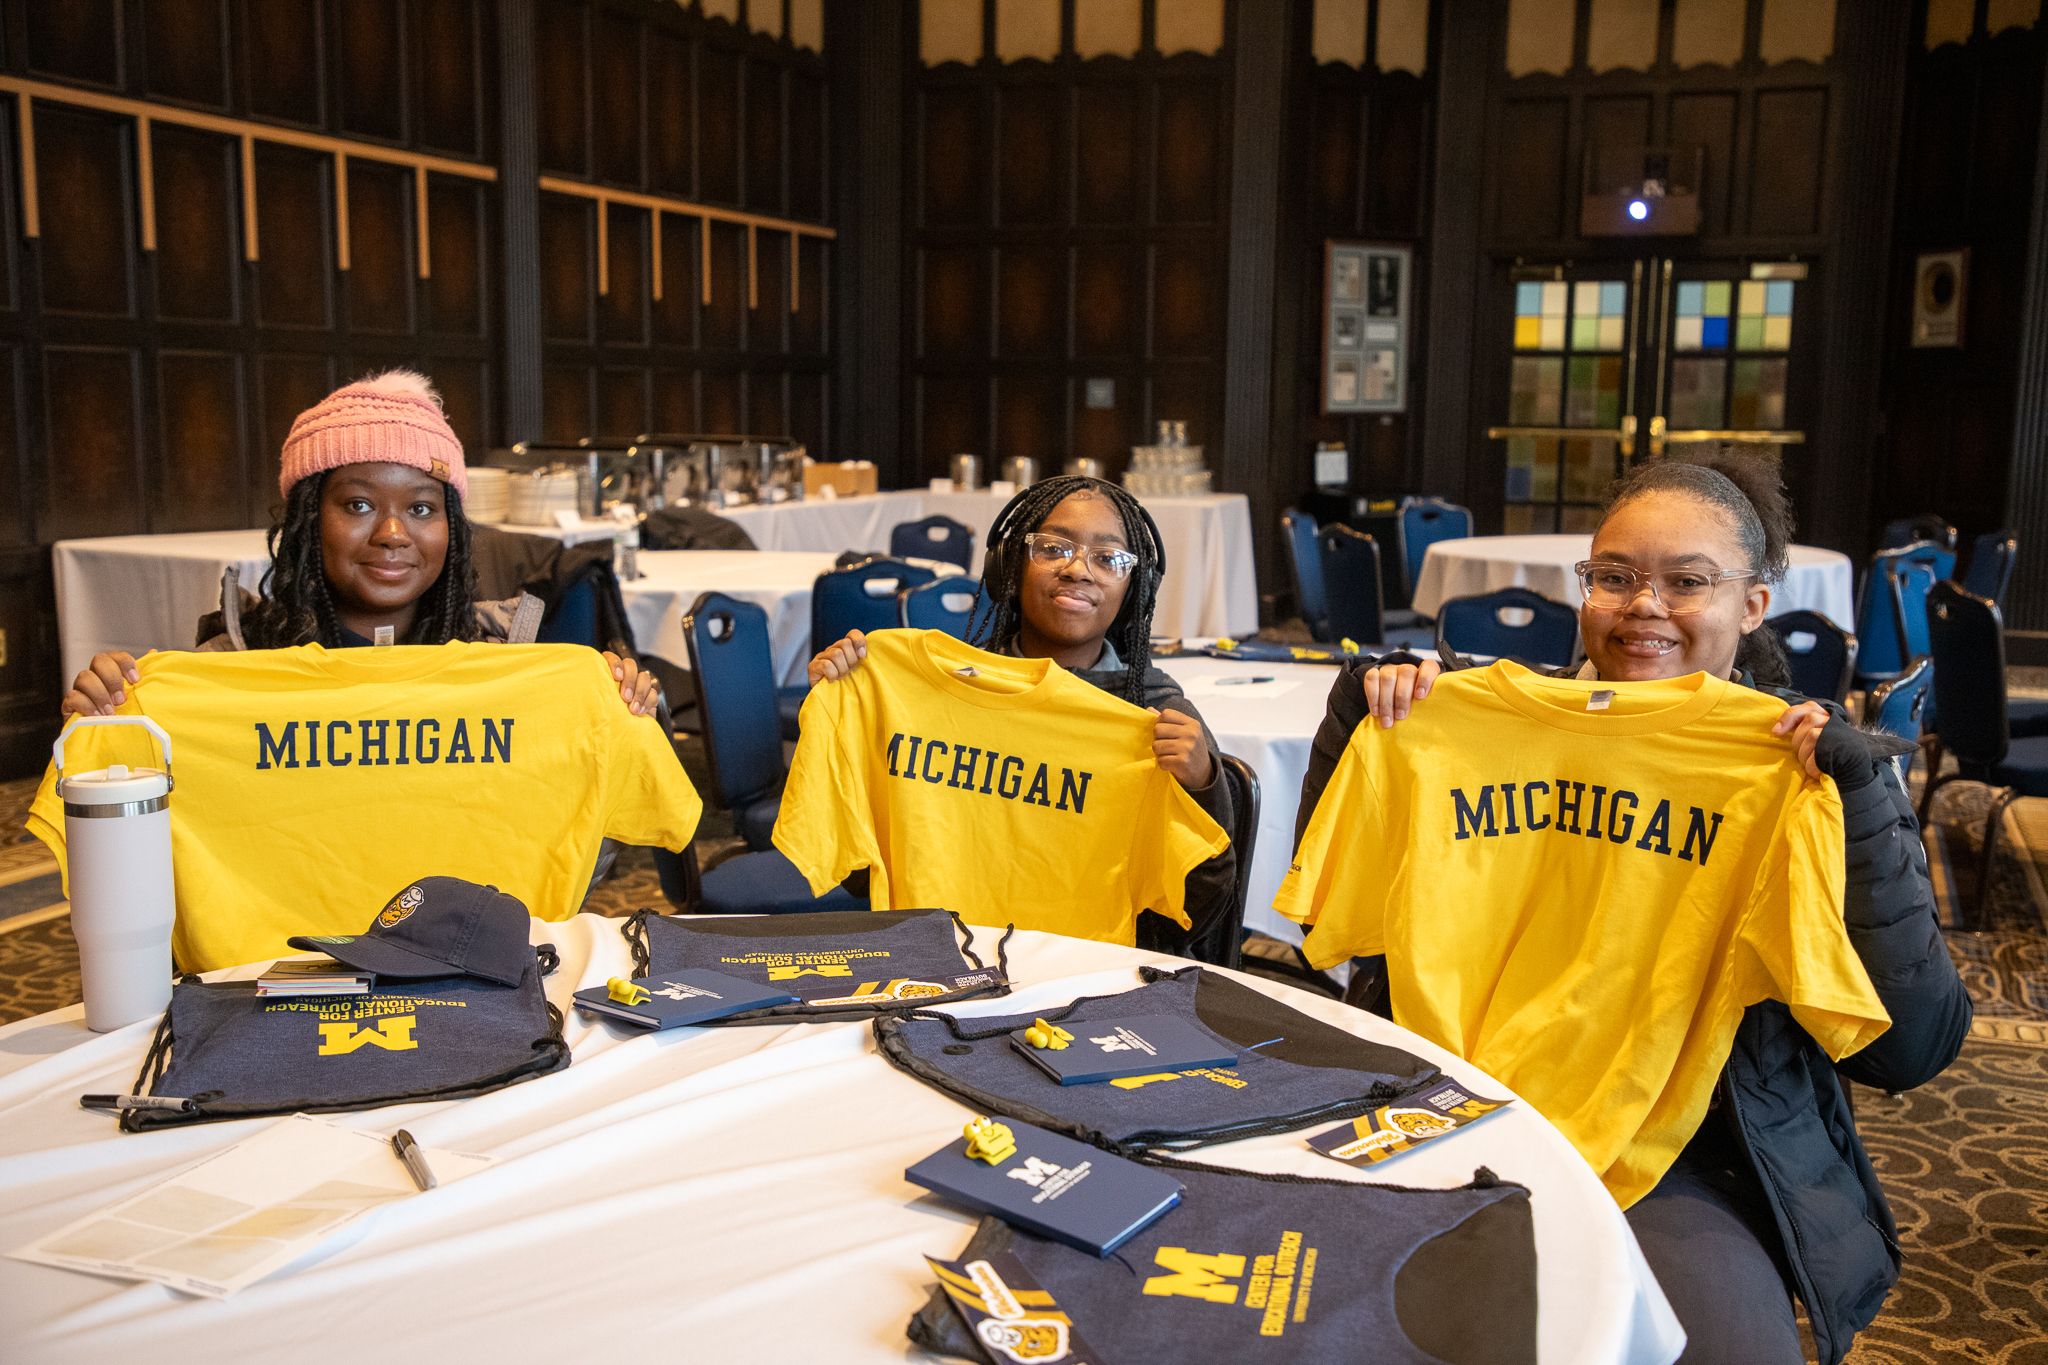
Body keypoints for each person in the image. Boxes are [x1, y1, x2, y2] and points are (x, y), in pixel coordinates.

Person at [1296, 449, 1970, 1364]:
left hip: (1692, 1144)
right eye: (1614, 577)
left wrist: (1856, 810)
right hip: (1452, 1101)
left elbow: (1911, 1047)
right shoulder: (1467, 722)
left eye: (1686, 581)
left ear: (1752, 604)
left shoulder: (1794, 767)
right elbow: (1337, 918)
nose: (1644, 604)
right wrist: (1364, 730)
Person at [802, 475, 1238, 954]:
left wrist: (1203, 785)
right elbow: (864, 874)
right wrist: (841, 721)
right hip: (936, 966)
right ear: (1008, 567)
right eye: (1052, 548)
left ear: (1135, 588)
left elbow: (1192, 913)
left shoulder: (1152, 717)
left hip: (1078, 979)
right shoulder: (937, 699)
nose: (1078, 570)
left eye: (1109, 558)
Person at [62, 370, 657, 718]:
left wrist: (616, 715)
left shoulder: (509, 668)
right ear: (306, 522)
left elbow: (581, 850)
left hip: (462, 934)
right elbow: (152, 842)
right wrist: (114, 727)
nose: (392, 533)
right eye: (358, 505)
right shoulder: (230, 670)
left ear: (452, 527)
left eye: (422, 508)